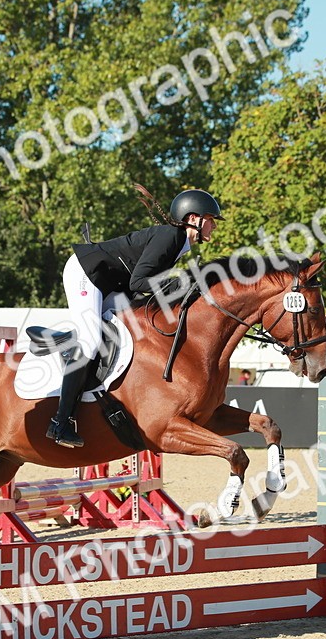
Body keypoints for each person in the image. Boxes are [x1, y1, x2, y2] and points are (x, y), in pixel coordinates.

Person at [47, 188, 224, 448]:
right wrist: (176, 284)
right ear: (194, 218)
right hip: (88, 272)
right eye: (211, 219)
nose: (214, 226)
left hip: (111, 284)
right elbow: (140, 280)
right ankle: (61, 422)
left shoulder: (177, 243)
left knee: (129, 328)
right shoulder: (170, 237)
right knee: (91, 338)